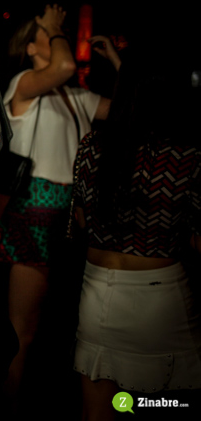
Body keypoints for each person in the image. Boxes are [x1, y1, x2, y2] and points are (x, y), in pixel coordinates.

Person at [0, 4, 112, 413]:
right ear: (30, 46)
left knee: (62, 325)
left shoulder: (76, 97)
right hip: (34, 210)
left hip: (74, 214)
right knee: (22, 329)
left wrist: (116, 61)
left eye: (59, 31)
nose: (59, 36)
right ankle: (8, 406)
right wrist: (55, 26)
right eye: (48, 33)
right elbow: (63, 66)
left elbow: (132, 110)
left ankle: (48, 400)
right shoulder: (23, 84)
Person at [71, 42, 201, 420]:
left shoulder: (93, 146)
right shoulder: (186, 156)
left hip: (96, 294)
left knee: (97, 413)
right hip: (160, 298)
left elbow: (81, 221)